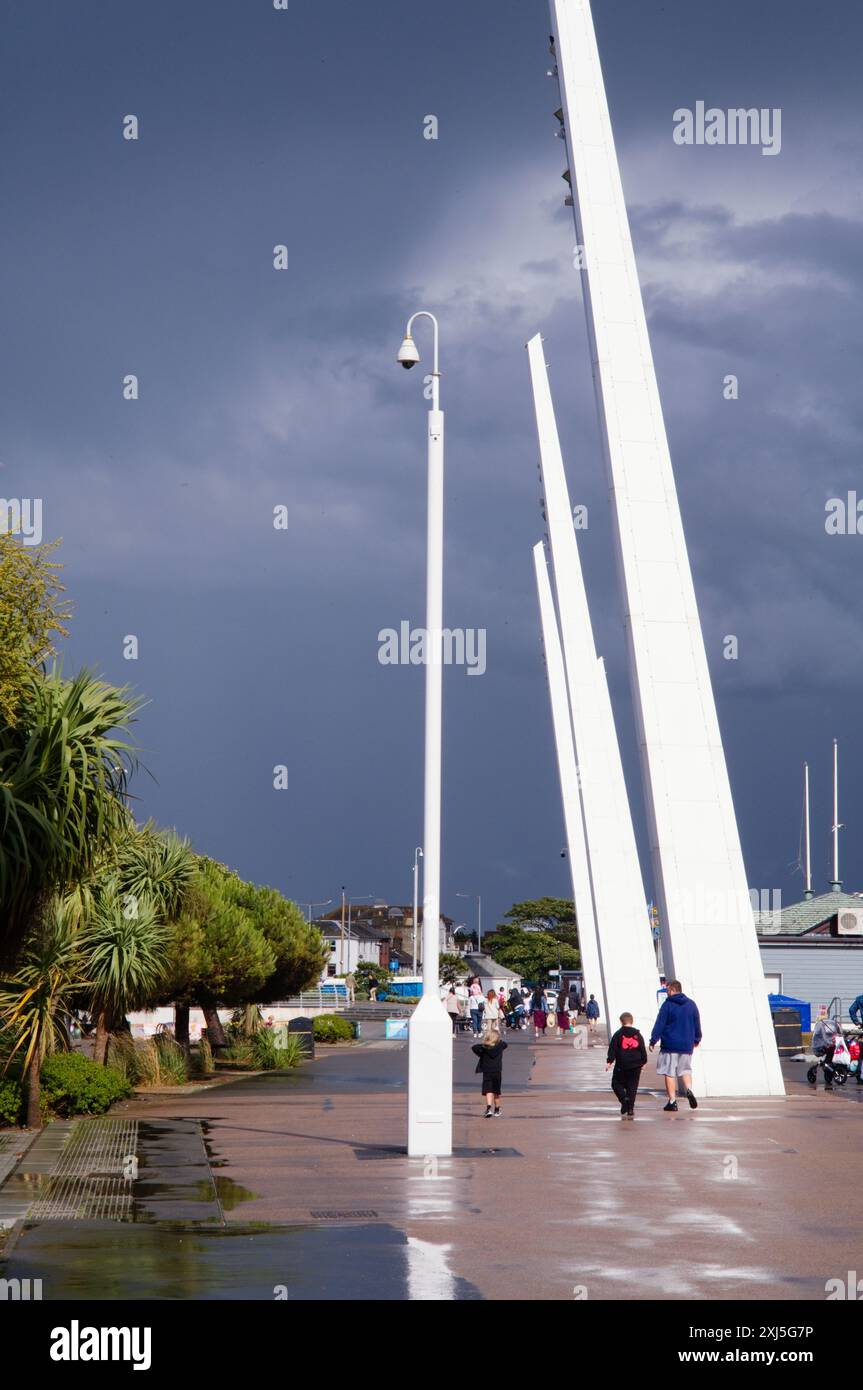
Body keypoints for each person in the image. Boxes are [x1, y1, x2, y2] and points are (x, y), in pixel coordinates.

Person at [649, 979, 702, 1112]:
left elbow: (660, 1023)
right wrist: (697, 1039)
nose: (667, 993)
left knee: (669, 1072)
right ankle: (689, 1089)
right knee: (685, 1070)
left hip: (670, 1045)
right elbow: (697, 1023)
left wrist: (653, 1040)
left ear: (672, 990)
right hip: (686, 1045)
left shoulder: (667, 1005)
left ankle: (672, 1101)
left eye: (667, 990)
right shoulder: (691, 1004)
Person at [606, 1011, 648, 1119]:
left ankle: (624, 1099)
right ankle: (630, 1109)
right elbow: (642, 1049)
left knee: (616, 1083)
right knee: (632, 1087)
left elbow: (613, 1049)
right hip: (635, 1065)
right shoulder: (638, 1035)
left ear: (621, 1022)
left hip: (621, 1064)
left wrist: (609, 1061)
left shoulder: (618, 1034)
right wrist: (644, 1062)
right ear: (632, 1021)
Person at [472, 1023, 508, 1117]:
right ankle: (497, 1109)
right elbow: (505, 1044)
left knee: (488, 1090)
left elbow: (474, 1048)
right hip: (497, 1071)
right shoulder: (500, 1046)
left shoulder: (484, 1048)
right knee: (496, 1091)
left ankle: (488, 1108)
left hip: (487, 1071)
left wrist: (485, 1044)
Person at [812, 1007, 842, 1090]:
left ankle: (829, 1068)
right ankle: (830, 1068)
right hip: (829, 1045)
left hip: (828, 1045)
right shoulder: (831, 1025)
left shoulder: (823, 1025)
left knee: (829, 1056)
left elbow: (824, 1038)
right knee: (830, 1055)